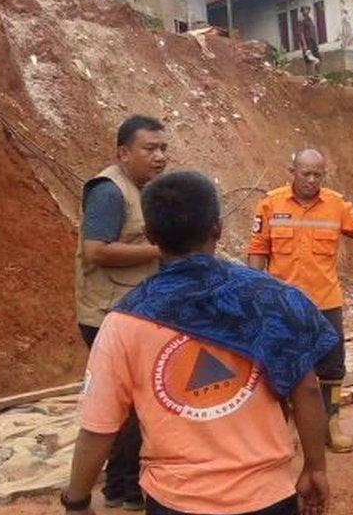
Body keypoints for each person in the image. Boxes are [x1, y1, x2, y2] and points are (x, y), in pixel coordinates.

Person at [62, 170, 337, 515]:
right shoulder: (272, 299)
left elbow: (98, 426)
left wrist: (77, 499)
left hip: (177, 499)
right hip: (267, 495)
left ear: (150, 235)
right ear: (218, 227)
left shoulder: (124, 322)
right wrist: (315, 467)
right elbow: (308, 389)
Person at [247, 149, 353, 452]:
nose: (312, 180)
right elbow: (258, 249)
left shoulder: (336, 205)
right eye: (306, 173)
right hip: (283, 304)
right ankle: (284, 428)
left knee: (332, 367)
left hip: (325, 301)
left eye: (318, 174)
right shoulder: (270, 204)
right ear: (292, 171)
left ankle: (330, 425)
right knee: (280, 363)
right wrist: (253, 294)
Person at [74, 114, 168, 510]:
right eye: (150, 149)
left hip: (132, 313)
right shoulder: (110, 191)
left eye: (163, 148)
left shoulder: (144, 188)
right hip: (106, 315)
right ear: (123, 152)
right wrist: (160, 251)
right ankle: (122, 489)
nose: (160, 157)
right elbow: (96, 250)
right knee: (125, 407)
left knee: (134, 405)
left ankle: (123, 485)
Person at [298, 6, 321, 77]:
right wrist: (304, 46)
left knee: (318, 59)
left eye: (308, 9)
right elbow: (301, 33)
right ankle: (310, 77)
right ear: (302, 12)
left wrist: (316, 43)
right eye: (305, 10)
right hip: (307, 44)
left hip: (313, 44)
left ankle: (317, 75)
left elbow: (313, 32)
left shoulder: (310, 20)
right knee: (309, 60)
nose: (307, 11)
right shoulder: (302, 21)